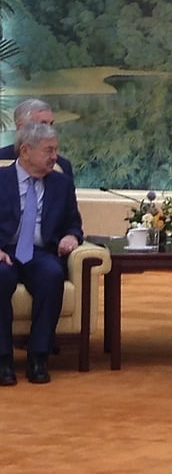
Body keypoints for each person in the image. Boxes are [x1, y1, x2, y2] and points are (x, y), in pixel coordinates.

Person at [0, 122, 83, 386]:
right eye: (48, 150)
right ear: (25, 151)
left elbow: (73, 223)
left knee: (52, 275)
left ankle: (38, 357)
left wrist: (72, 236)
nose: (54, 156)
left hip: (40, 252)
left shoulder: (61, 184)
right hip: (4, 251)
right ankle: (3, 360)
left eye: (55, 150)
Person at [0, 99, 74, 180]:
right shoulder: (2, 158)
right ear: (21, 127)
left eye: (51, 124)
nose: (49, 129)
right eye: (43, 124)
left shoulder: (62, 166)